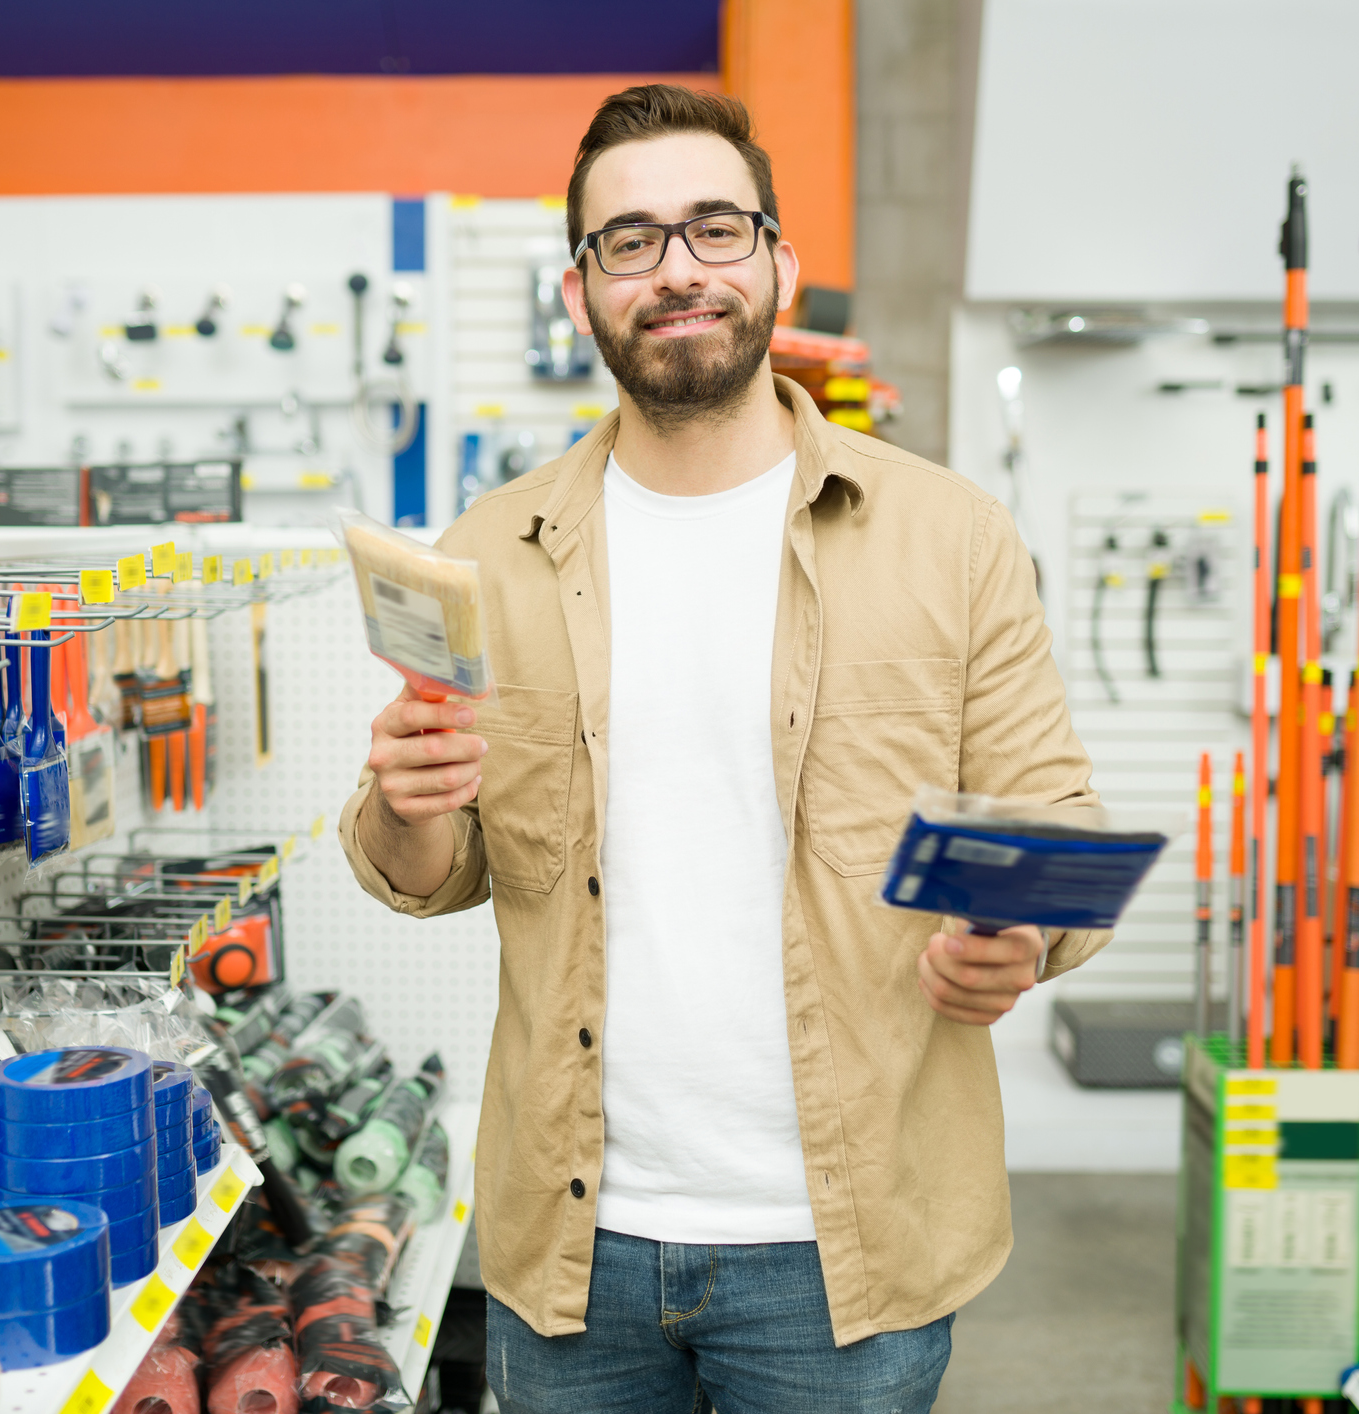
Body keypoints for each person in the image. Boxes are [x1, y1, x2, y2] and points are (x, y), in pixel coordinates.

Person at [339, 84, 1108, 1413]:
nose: (676, 268)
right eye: (629, 241)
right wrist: (406, 804)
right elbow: (429, 863)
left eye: (712, 227)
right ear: (581, 290)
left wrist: (1015, 941)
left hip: (846, 1248)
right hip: (573, 1245)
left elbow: (1056, 822)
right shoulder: (487, 551)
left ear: (776, 263)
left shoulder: (947, 535)